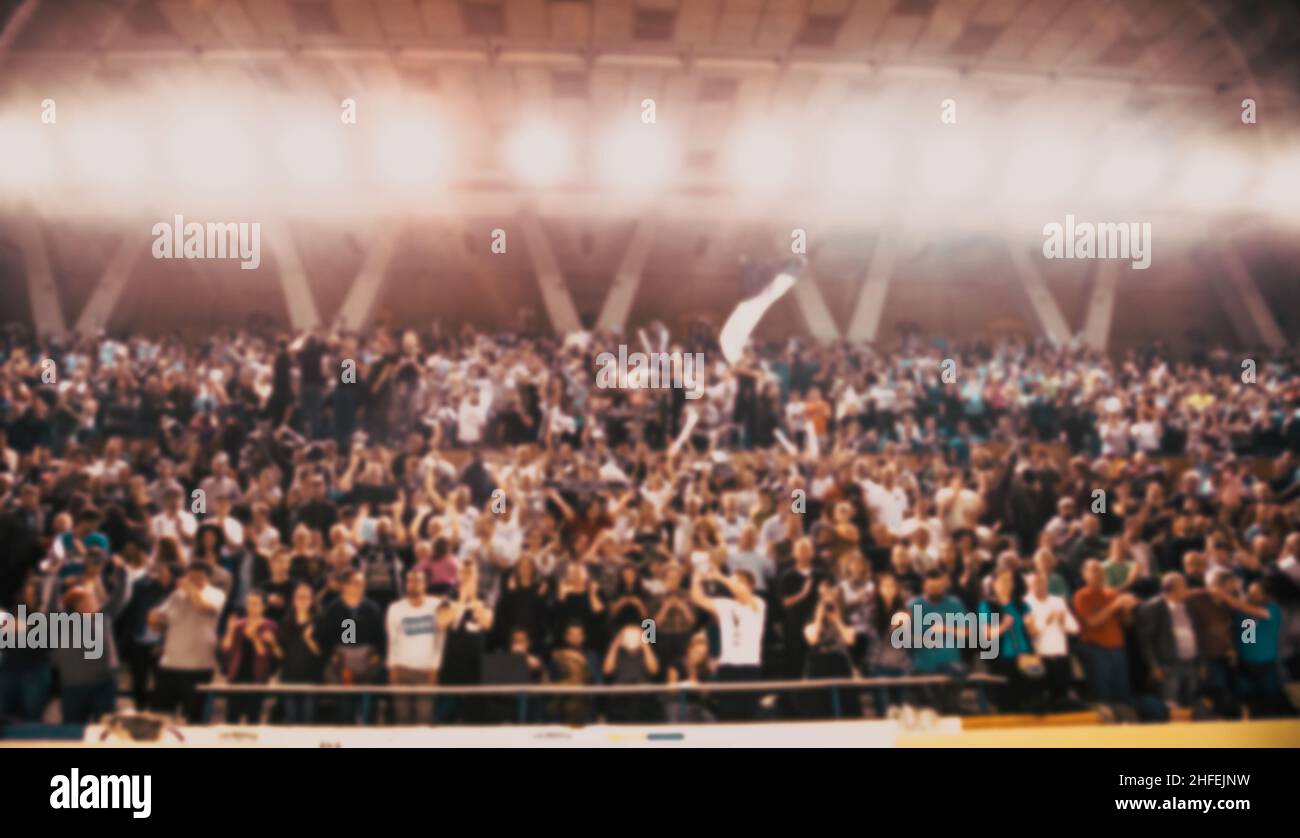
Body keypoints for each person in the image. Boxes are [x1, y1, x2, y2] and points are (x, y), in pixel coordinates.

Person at [149, 562, 227, 722]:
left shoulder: (215, 594)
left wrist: (191, 589)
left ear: (206, 578)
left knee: (195, 720)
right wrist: (153, 618)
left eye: (196, 578)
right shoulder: (177, 594)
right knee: (161, 717)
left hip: (198, 667)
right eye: (190, 577)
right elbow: (161, 623)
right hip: (169, 665)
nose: (191, 581)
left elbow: (204, 607)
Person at [690, 568, 765, 720]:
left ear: (751, 586)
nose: (734, 584)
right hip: (727, 667)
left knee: (748, 715)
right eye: (733, 581)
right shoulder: (725, 604)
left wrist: (720, 577)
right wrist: (696, 578)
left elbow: (742, 594)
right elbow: (698, 599)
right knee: (727, 714)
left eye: (739, 582)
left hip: (749, 666)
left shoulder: (758, 603)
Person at [1072, 559, 1138, 707]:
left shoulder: (1112, 593)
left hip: (1117, 648)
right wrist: (1115, 605)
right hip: (1096, 649)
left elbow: (1127, 623)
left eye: (1101, 571)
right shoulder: (1082, 596)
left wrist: (1128, 609)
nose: (1099, 574)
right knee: (1102, 694)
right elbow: (1092, 622)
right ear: (1084, 575)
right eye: (1094, 571)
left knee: (1122, 693)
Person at [1135, 572, 1200, 709]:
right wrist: (1154, 664)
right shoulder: (1153, 607)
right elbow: (1146, 639)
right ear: (1172, 588)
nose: (1187, 588)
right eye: (1183, 586)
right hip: (1169, 664)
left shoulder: (1188, 607)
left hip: (1190, 663)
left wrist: (1201, 661)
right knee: (1171, 703)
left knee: (1189, 703)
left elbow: (1197, 633)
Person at [385, 569, 441, 724]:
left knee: (424, 720)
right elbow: (392, 640)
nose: (414, 584)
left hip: (426, 671)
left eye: (418, 580)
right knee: (402, 719)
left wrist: (434, 668)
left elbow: (440, 640)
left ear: (425, 584)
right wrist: (392, 667)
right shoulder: (395, 608)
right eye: (410, 580)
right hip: (402, 669)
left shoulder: (435, 605)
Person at [220, 590, 282, 723]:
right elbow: (226, 650)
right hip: (236, 676)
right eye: (249, 603)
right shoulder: (238, 625)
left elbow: (264, 655)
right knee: (231, 718)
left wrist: (254, 637)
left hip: (257, 677)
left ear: (263, 607)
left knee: (253, 718)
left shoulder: (269, 626)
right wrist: (230, 630)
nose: (251, 607)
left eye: (255, 604)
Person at [1023, 569, 1079, 710]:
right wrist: (1045, 622)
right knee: (1044, 700)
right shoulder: (1025, 604)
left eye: (1043, 582)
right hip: (1040, 656)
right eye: (1036, 583)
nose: (1040, 586)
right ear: (1029, 585)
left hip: (1060, 655)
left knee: (1062, 698)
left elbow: (1075, 628)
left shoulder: (1058, 601)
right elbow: (1030, 633)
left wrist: (1062, 621)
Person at [277, 582, 324, 724]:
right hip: (289, 678)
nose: (302, 600)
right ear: (293, 599)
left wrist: (308, 639)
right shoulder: (286, 621)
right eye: (299, 597)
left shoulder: (319, 621)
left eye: (306, 597)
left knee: (307, 721)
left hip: (311, 679)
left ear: (312, 600)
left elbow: (322, 653)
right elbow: (281, 653)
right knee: (291, 720)